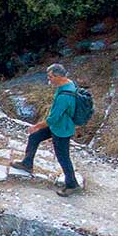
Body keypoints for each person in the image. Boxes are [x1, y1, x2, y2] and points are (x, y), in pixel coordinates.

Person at [15, 63, 82, 196]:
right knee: (34, 137)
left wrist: (36, 126)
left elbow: (53, 119)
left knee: (63, 157)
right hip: (58, 126)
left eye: (50, 76)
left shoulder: (64, 96)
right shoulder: (68, 84)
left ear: (58, 76)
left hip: (61, 129)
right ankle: (27, 163)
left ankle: (72, 184)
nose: (48, 79)